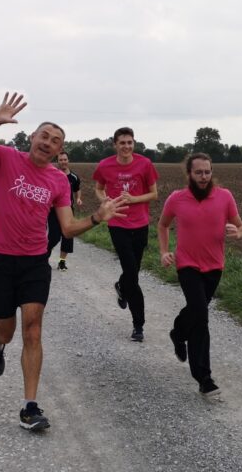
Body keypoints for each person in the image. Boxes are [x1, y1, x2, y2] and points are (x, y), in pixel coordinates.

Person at [0, 92, 127, 432]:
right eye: (44, 136)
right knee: (7, 329)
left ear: (59, 150)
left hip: (34, 261)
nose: (48, 143)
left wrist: (97, 217)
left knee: (33, 330)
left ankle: (29, 407)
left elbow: (67, 228)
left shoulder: (58, 181)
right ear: (32, 137)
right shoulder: (5, 158)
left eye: (56, 141)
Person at [157, 153, 242, 398]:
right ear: (189, 174)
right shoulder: (177, 199)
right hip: (187, 265)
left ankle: (178, 332)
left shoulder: (225, 197)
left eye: (207, 172)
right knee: (201, 315)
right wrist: (164, 252)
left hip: (215, 266)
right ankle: (204, 378)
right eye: (199, 172)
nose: (204, 177)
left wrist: (237, 232)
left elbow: (240, 225)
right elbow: (163, 225)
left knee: (196, 312)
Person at [93, 127, 159, 342]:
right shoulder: (105, 165)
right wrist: (105, 201)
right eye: (122, 143)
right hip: (117, 224)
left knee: (133, 271)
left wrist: (133, 199)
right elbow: (99, 188)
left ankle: (121, 286)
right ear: (115, 145)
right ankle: (138, 325)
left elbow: (154, 194)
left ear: (134, 144)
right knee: (132, 273)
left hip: (140, 225)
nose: (126, 146)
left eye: (129, 142)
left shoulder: (145, 164)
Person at [45, 151, 83, 270]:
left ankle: (62, 262)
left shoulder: (74, 177)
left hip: (68, 210)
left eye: (65, 159)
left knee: (68, 237)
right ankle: (43, 258)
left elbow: (77, 189)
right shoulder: (52, 175)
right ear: (58, 161)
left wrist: (78, 198)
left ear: (68, 160)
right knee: (54, 237)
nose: (63, 162)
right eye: (61, 160)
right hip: (53, 210)